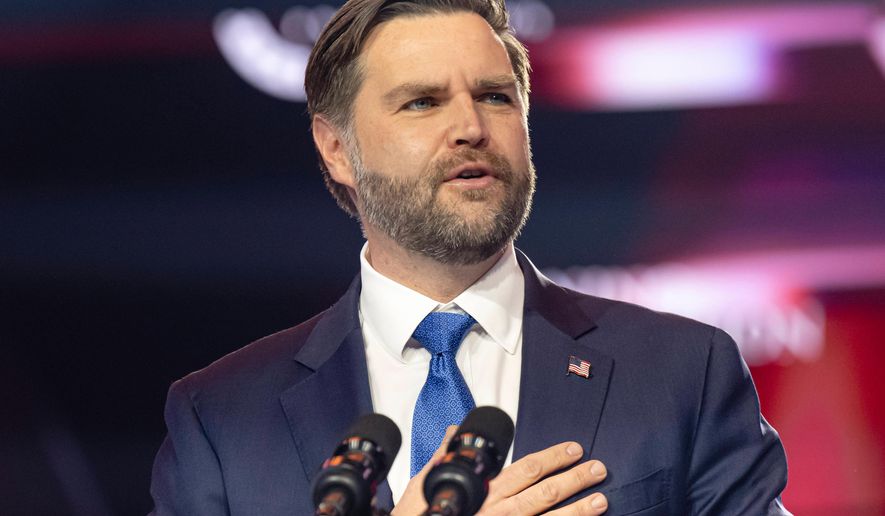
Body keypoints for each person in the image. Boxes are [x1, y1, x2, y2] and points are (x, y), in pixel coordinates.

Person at [148, 0, 790, 514]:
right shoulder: (224, 420)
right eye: (423, 102)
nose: (472, 128)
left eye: (494, 96)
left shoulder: (683, 373)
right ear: (337, 148)